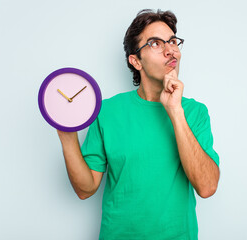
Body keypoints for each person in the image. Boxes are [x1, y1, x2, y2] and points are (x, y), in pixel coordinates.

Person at [57, 9, 220, 240]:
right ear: (136, 61)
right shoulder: (106, 111)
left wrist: (175, 111)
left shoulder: (195, 112)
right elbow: (85, 189)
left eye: (172, 41)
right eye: (155, 43)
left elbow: (207, 187)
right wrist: (67, 136)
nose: (170, 49)